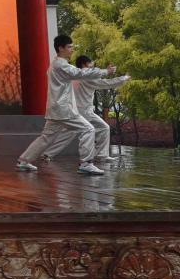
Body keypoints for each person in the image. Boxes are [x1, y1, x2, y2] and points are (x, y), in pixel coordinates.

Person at [17, 35, 114, 175]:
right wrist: (105, 71)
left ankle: (23, 161)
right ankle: (86, 163)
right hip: (64, 109)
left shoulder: (55, 64)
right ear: (60, 48)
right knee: (88, 129)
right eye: (69, 47)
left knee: (46, 138)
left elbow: (79, 72)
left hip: (56, 108)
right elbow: (80, 73)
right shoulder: (61, 65)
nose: (72, 49)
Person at [41, 55, 130, 164]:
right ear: (84, 64)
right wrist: (124, 78)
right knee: (100, 128)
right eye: (91, 64)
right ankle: (97, 157)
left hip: (78, 110)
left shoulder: (75, 75)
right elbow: (106, 84)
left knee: (72, 132)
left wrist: (107, 71)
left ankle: (48, 154)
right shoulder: (86, 77)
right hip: (82, 111)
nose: (92, 66)